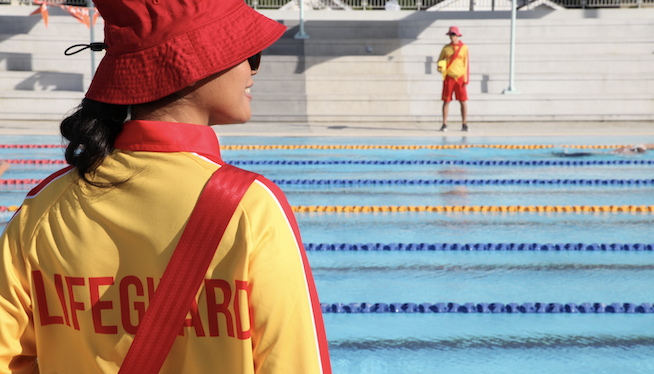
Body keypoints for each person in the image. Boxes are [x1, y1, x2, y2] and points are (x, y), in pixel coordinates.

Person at [0, 1, 332, 373]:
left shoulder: (44, 208)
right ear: (190, 65)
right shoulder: (251, 208)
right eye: (249, 53)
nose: (254, 69)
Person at [437, 26, 469, 132]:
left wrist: (466, 79)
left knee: (462, 101)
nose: (452, 36)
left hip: (460, 78)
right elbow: (440, 61)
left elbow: (466, 63)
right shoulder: (446, 48)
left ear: (458, 35)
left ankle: (464, 124)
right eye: (451, 34)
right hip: (449, 78)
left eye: (454, 34)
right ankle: (444, 124)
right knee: (446, 101)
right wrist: (441, 68)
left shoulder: (464, 47)